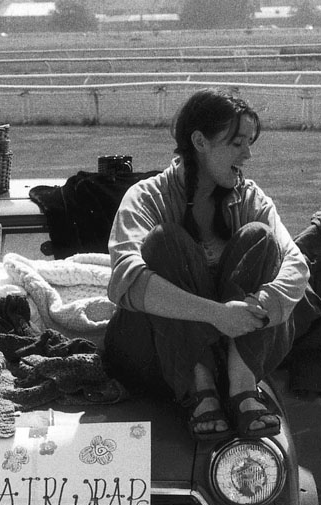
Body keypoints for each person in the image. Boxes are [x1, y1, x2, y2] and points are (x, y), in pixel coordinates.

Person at [105, 88, 309, 441]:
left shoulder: (251, 198)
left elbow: (296, 264)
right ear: (199, 141)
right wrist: (217, 314)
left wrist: (261, 302)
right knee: (164, 240)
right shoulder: (146, 197)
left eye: (249, 143)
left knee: (260, 236)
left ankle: (242, 388)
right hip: (155, 355)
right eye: (237, 143)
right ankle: (201, 390)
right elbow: (127, 279)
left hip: (235, 351)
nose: (248, 154)